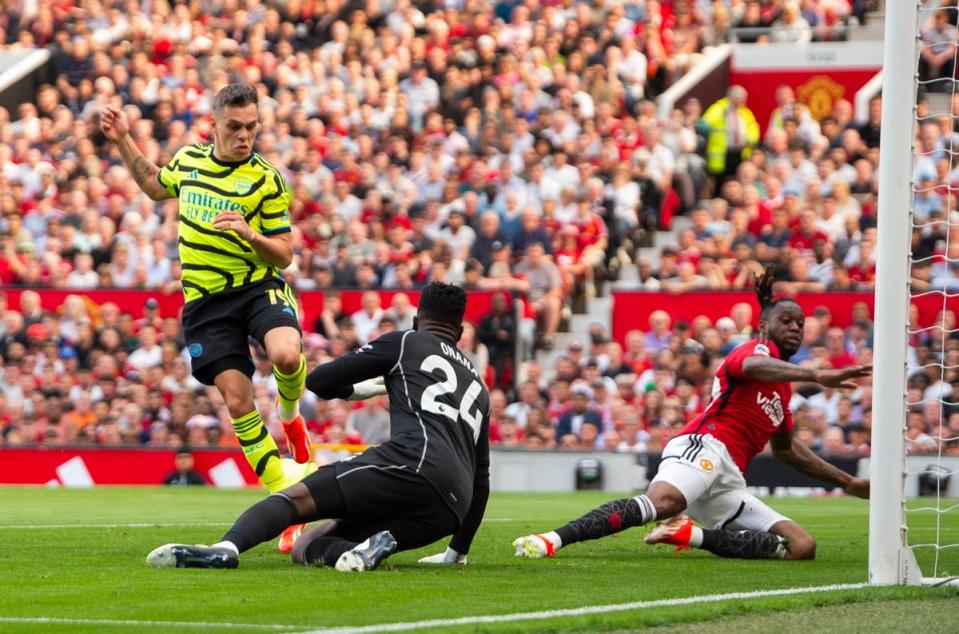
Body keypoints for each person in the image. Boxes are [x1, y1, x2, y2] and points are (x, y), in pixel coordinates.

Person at [513, 267, 871, 562]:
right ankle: (550, 540)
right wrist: (817, 374)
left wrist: (848, 482)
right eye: (786, 320)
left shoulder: (782, 389)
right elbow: (751, 365)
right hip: (704, 448)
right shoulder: (756, 350)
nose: (795, 327)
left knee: (801, 547)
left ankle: (690, 534)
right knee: (664, 502)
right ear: (764, 326)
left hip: (728, 480)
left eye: (800, 322)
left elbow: (787, 450)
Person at [146, 283, 491, 572]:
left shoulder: (406, 342)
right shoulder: (478, 384)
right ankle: (365, 549)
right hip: (450, 508)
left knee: (295, 499)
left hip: (410, 464)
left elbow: (320, 380)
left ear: (416, 320)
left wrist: (362, 389)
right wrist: (456, 551)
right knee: (309, 546)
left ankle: (227, 548)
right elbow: (481, 479)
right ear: (459, 333)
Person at [100, 83, 312, 552]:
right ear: (213, 125)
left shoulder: (266, 179)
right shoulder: (190, 161)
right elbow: (156, 185)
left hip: (257, 287)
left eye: (252, 127)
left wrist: (250, 234)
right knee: (237, 401)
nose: (244, 136)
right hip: (205, 303)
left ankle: (292, 416)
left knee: (286, 355)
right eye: (234, 127)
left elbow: (284, 256)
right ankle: (290, 500)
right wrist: (122, 140)